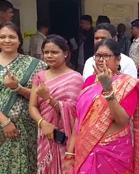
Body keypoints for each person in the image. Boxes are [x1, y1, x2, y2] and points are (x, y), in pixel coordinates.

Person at [65, 39, 139, 174]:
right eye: (97, 56)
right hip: (85, 149)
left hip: (113, 152)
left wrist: (108, 89)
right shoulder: (90, 82)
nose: (100, 59)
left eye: (106, 56)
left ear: (118, 59)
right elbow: (78, 119)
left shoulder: (127, 84)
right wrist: (70, 153)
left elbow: (122, 120)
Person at [29, 35, 83, 174]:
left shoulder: (75, 78)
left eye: (54, 52)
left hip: (65, 137)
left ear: (65, 53)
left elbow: (76, 112)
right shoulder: (40, 76)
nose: (49, 56)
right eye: (46, 52)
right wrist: (42, 123)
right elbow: (33, 106)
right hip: (45, 134)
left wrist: (49, 99)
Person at [0, 22, 48, 173]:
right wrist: (5, 122)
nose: (7, 40)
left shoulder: (35, 65)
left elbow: (41, 96)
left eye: (12, 37)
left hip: (26, 129)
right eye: (2, 37)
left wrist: (18, 88)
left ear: (19, 40)